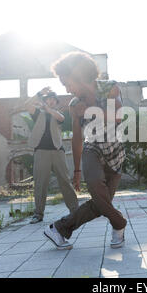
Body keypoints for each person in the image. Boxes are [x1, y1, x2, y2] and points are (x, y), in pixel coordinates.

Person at [43, 52, 127, 250]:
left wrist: (88, 111)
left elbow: (119, 115)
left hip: (115, 152)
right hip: (93, 149)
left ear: (78, 75)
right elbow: (78, 137)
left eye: (67, 82)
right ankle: (120, 224)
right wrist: (77, 170)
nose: (66, 88)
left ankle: (59, 229)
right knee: (95, 183)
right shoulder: (74, 104)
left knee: (100, 203)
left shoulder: (110, 87)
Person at [24, 87, 79, 224]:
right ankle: (38, 213)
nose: (51, 101)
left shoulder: (58, 114)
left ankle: (75, 210)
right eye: (48, 99)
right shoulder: (37, 113)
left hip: (57, 151)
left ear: (56, 102)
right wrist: (39, 93)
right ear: (44, 100)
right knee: (40, 183)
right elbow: (26, 105)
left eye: (53, 100)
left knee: (65, 180)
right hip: (41, 151)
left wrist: (47, 108)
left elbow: (60, 117)